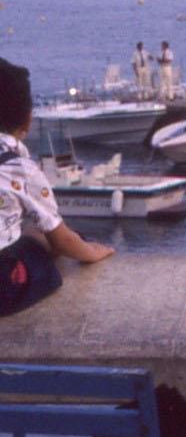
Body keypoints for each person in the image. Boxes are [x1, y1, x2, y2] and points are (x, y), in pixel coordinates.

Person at [0, 58, 114, 316]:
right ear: (28, 119)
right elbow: (61, 241)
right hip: (2, 289)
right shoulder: (20, 168)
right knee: (39, 240)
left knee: (28, 234)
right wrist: (93, 253)